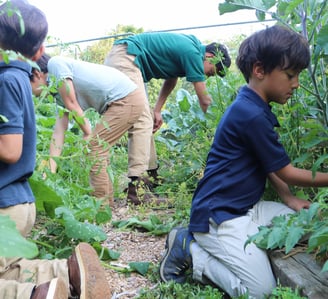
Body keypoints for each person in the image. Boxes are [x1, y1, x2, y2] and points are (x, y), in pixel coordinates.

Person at [158, 25, 327, 298]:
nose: (296, 83)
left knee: (305, 223)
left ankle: (246, 251)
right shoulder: (250, 114)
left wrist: (289, 199)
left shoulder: (253, 105)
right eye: (290, 75)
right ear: (260, 70)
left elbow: (269, 165)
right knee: (260, 291)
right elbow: (287, 172)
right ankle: (189, 248)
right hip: (219, 218)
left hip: (247, 210)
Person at [0, 1, 111, 298]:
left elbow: (10, 150)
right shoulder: (20, 79)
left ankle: (32, 296)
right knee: (8, 267)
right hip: (19, 203)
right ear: (39, 51)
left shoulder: (7, 80)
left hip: (3, 206)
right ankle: (67, 274)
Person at [104, 32, 231, 204]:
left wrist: (157, 110)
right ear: (209, 56)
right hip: (126, 57)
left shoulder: (189, 48)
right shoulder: (193, 54)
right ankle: (136, 189)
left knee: (146, 118)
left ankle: (151, 177)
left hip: (126, 57)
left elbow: (171, 80)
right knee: (141, 121)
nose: (208, 77)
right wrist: (220, 130)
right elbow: (205, 101)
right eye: (211, 72)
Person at [31, 53, 153, 207]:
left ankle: (100, 207)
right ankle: (106, 205)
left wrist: (88, 133)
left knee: (94, 147)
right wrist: (48, 173)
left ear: (36, 74)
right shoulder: (57, 91)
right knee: (98, 147)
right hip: (122, 100)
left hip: (127, 98)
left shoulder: (55, 64)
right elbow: (58, 132)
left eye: (26, 84)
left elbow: (72, 104)